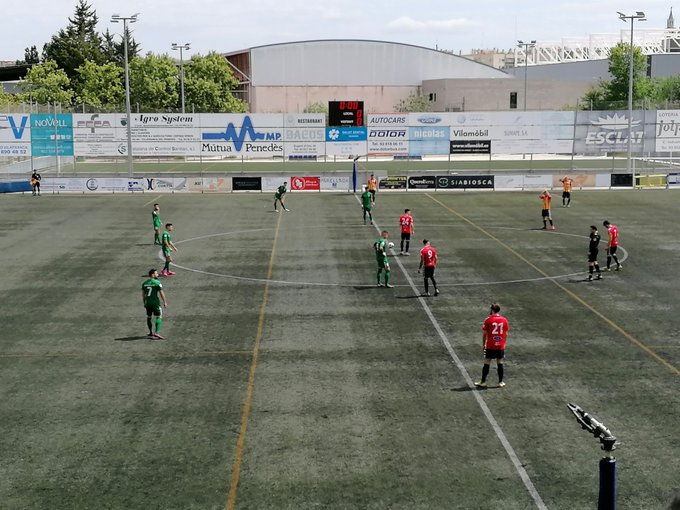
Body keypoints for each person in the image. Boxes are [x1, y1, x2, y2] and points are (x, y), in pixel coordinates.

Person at [475, 303, 509, 389]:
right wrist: (503, 343)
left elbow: (485, 334)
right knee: (500, 362)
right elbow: (506, 333)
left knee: (487, 361)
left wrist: (484, 344)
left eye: (490, 309)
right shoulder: (504, 320)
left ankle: (483, 382)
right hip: (500, 345)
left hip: (490, 345)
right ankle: (500, 382)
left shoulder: (488, 320)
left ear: (492, 310)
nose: (489, 310)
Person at [142, 268, 168, 339]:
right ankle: (157, 332)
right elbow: (161, 293)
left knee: (149, 316)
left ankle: (150, 332)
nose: (157, 274)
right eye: (156, 273)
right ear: (153, 274)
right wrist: (164, 302)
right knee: (159, 316)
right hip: (155, 303)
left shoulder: (144, 283)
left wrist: (144, 303)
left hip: (148, 303)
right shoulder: (157, 283)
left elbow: (143, 295)